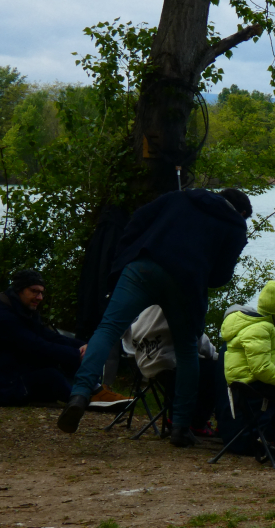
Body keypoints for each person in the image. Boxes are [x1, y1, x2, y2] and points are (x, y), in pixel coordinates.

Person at [57, 187, 251, 448]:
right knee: (187, 349)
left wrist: (131, 251)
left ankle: (80, 394)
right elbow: (221, 276)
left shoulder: (181, 196)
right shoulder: (236, 226)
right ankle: (181, 427)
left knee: (108, 329)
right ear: (242, 212)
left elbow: (139, 218)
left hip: (143, 265)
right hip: (186, 284)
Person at [222, 280, 275, 468]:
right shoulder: (262, 329)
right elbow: (260, 369)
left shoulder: (255, 322)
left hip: (244, 376)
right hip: (249, 380)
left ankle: (268, 441)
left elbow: (262, 361)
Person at [0, 270, 87, 406]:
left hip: (14, 372)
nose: (39, 297)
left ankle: (92, 391)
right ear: (19, 290)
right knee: (52, 376)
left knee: (62, 362)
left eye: (41, 292)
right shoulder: (1, 316)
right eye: (34, 291)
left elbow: (47, 335)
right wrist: (77, 354)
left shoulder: (23, 310)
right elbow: (36, 346)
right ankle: (84, 400)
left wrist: (84, 346)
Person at [121, 305, 219, 437]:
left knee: (190, 367)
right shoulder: (178, 307)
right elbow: (201, 343)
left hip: (149, 368)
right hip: (172, 368)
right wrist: (218, 357)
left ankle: (176, 418)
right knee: (213, 370)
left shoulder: (145, 314)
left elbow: (129, 347)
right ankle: (196, 423)